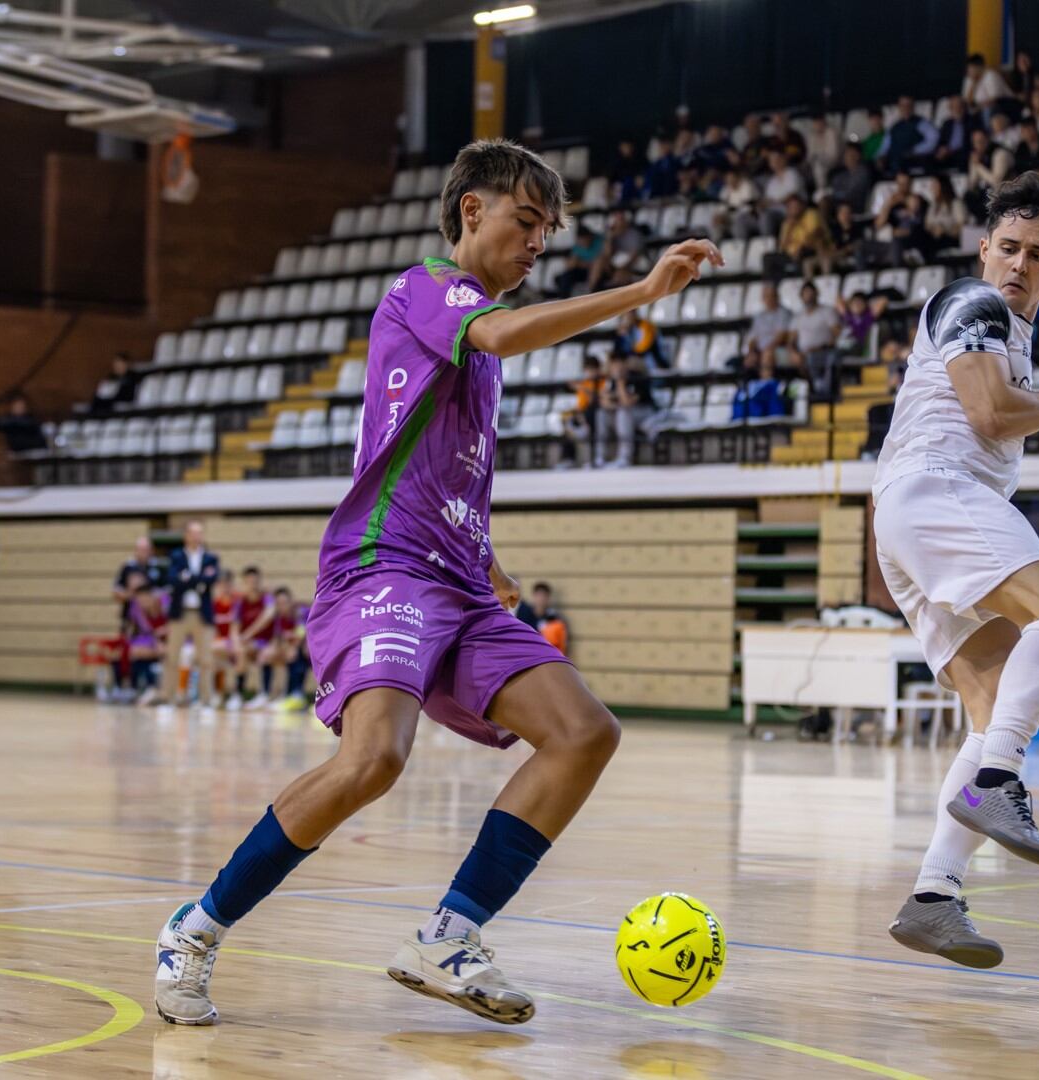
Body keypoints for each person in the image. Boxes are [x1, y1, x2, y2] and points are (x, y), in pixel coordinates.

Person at [151, 140, 719, 1027]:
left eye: (548, 228)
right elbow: (499, 331)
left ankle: (449, 935)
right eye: (526, 221)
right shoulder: (429, 289)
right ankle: (194, 929)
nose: (539, 242)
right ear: (471, 211)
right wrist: (640, 293)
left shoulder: (480, 351)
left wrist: (487, 557)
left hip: (458, 580)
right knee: (373, 759)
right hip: (383, 568)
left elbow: (439, 459)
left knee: (583, 733)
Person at [876, 172, 1039, 970]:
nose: (1018, 264)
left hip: (914, 512)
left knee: (993, 705)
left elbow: (997, 409)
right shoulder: (973, 303)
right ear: (983, 249)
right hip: (935, 491)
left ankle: (934, 897)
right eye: (1008, 247)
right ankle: (999, 781)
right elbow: (991, 414)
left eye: (1036, 254)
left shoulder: (1010, 334)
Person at [156, 520, 221, 709]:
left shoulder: (211, 558)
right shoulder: (176, 556)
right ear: (186, 535)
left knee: (206, 659)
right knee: (172, 656)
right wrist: (199, 581)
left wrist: (187, 578)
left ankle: (206, 700)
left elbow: (212, 579)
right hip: (180, 613)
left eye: (199, 532)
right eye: (193, 532)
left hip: (202, 613)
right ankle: (168, 698)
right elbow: (172, 579)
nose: (196, 536)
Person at [789, 282, 842, 402]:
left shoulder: (827, 311)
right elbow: (791, 340)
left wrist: (818, 348)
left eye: (811, 293)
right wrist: (793, 353)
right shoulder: (798, 316)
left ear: (817, 294)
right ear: (801, 296)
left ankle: (819, 392)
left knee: (812, 357)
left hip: (823, 350)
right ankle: (798, 396)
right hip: (802, 353)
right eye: (805, 294)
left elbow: (837, 335)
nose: (808, 296)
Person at [232, 566, 275, 708]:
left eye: (255, 581)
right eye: (249, 581)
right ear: (244, 583)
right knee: (241, 652)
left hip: (267, 641)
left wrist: (247, 634)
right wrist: (236, 643)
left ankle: (264, 694)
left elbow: (267, 617)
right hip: (248, 643)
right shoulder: (240, 602)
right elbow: (234, 627)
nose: (253, 584)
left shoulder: (267, 598)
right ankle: (238, 695)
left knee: (264, 654)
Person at [126, 582, 168, 697]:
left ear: (152, 596)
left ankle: (155, 687)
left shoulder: (165, 606)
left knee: (163, 651)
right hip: (154, 644)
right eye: (140, 601)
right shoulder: (139, 613)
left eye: (145, 600)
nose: (143, 604)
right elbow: (147, 633)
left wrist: (162, 636)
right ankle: (139, 688)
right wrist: (156, 643)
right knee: (135, 652)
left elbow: (175, 627)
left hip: (170, 641)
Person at [212, 570, 244, 710]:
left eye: (228, 584)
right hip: (221, 642)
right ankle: (218, 693)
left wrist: (233, 642)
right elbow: (213, 630)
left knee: (239, 652)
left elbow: (237, 626)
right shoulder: (214, 604)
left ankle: (236, 694)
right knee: (213, 655)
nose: (225, 588)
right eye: (222, 584)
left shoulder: (239, 601)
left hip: (237, 640)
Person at [743, 282, 793, 368]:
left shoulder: (784, 313)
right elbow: (752, 338)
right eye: (766, 296)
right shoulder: (759, 316)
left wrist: (765, 350)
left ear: (777, 297)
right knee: (746, 360)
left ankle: (767, 377)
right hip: (760, 350)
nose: (769, 299)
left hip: (778, 349)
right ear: (762, 298)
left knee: (767, 355)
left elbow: (781, 337)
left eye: (772, 296)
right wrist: (751, 352)